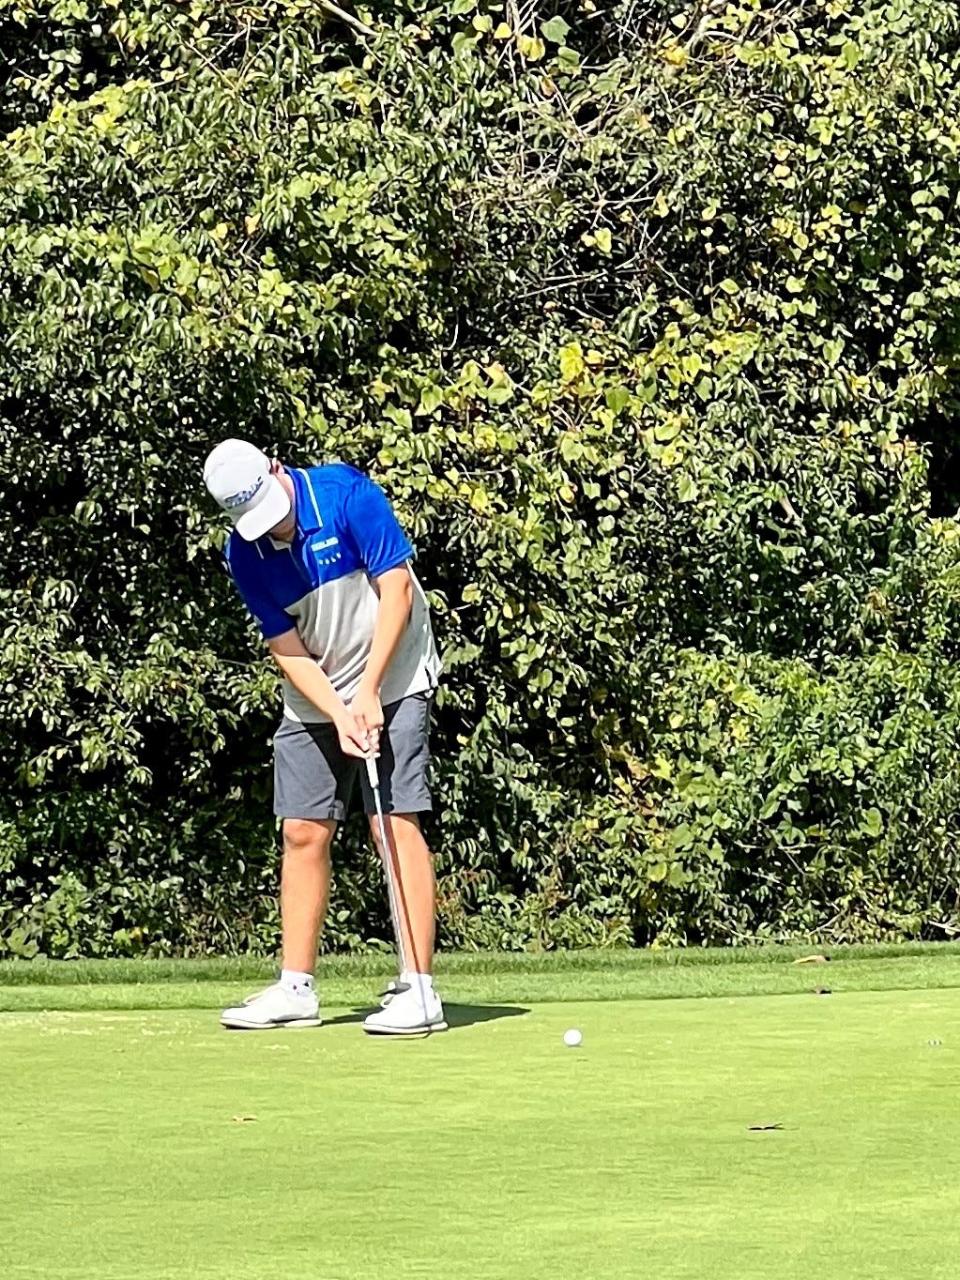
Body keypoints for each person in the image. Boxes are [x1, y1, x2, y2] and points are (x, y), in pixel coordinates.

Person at [202, 438, 445, 1034]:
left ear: (277, 469)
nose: (274, 526)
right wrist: (339, 711)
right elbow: (287, 647)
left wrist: (369, 693)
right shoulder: (246, 552)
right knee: (302, 829)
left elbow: (398, 591)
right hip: (319, 690)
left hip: (398, 673)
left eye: (273, 507)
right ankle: (296, 988)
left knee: (392, 820)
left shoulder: (344, 496)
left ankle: (420, 989)